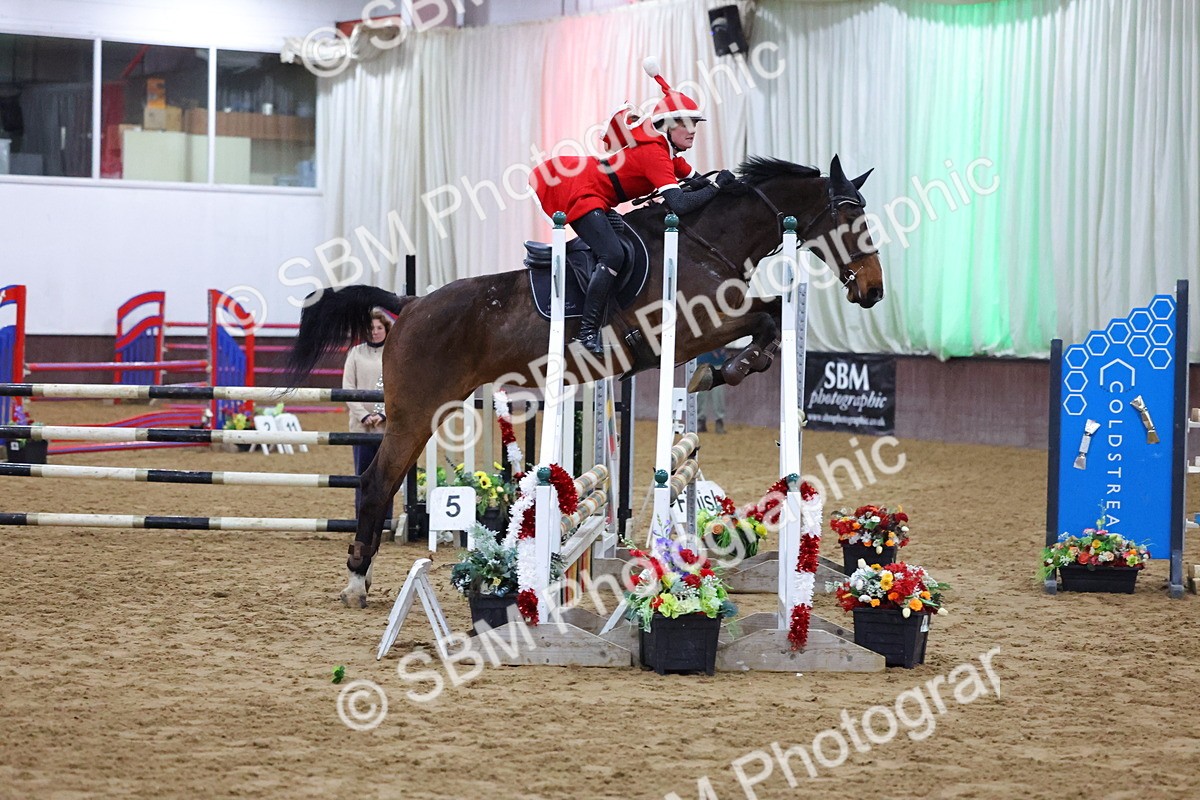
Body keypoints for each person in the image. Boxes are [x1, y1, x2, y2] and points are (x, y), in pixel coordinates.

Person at [530, 57, 738, 355]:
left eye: (695, 124)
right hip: (583, 191)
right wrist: (718, 187)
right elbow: (679, 203)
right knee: (613, 253)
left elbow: (696, 183)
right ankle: (586, 332)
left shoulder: (668, 154)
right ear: (666, 127)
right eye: (686, 124)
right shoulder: (655, 155)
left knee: (630, 240)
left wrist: (723, 185)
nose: (692, 130)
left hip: (600, 197)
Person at [344, 309, 393, 521]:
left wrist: (382, 414)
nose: (375, 332)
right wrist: (363, 415)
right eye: (371, 328)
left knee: (384, 476)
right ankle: (362, 519)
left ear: (386, 329)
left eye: (379, 328)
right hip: (360, 426)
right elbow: (347, 386)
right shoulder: (355, 353)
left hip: (386, 427)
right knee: (362, 475)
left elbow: (398, 388)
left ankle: (385, 519)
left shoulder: (394, 353)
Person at [695, 348, 727, 434]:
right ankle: (700, 420)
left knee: (718, 395)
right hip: (703, 361)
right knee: (701, 395)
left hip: (717, 361)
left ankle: (719, 420)